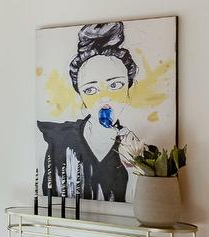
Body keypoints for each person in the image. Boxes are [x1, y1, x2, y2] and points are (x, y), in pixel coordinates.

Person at [37, 22, 142, 202]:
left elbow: (135, 211)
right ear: (81, 97)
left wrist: (134, 167)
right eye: (91, 90)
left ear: (128, 90)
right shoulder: (59, 138)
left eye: (115, 85)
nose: (105, 98)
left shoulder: (136, 150)